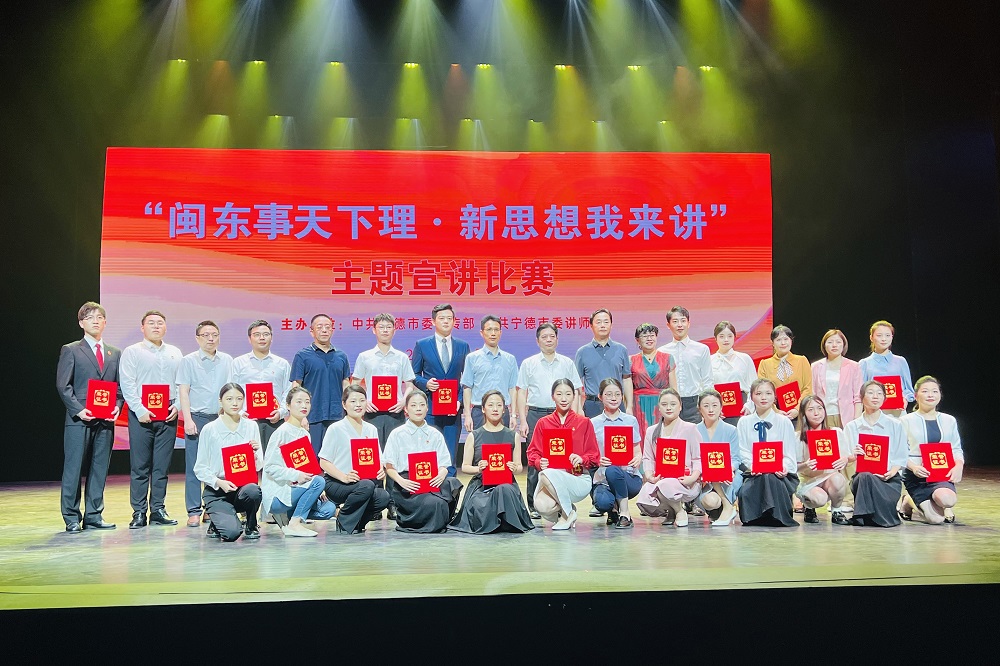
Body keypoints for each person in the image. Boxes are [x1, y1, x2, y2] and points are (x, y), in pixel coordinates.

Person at [56, 302, 122, 533]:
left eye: (99, 317)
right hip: (79, 419)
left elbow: (119, 387)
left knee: (99, 468)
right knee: (74, 468)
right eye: (90, 317)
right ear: (81, 323)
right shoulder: (71, 350)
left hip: (105, 420)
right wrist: (78, 410)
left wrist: (117, 406)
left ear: (105, 322)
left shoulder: (114, 353)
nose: (95, 320)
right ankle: (71, 517)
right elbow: (63, 386)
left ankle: (94, 515)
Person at [119, 310, 183, 529]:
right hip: (141, 415)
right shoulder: (132, 351)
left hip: (168, 413)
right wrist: (139, 409)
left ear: (165, 327)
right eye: (151, 323)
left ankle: (158, 510)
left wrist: (178, 406)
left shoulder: (175, 352)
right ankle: (138, 512)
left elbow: (181, 382)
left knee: (161, 466)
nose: (156, 326)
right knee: (140, 466)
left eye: (160, 323)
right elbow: (127, 383)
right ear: (142, 327)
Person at [516, 323, 583, 518]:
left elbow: (576, 391)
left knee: (563, 459)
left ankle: (563, 502)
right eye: (544, 337)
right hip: (536, 414)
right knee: (535, 459)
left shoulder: (567, 363)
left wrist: (575, 417)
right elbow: (522, 392)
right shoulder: (528, 363)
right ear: (537, 341)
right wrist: (523, 420)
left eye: (552, 336)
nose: (548, 340)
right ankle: (533, 505)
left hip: (561, 415)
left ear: (557, 339)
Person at [450, 390, 534, 534]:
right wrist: (478, 469)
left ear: (504, 410)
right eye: (490, 405)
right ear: (483, 409)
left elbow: (519, 466)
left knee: (504, 490)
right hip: (482, 485)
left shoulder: (512, 436)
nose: (495, 409)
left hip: (506, 484)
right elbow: (465, 467)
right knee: (482, 503)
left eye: (499, 405)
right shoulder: (474, 436)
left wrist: (514, 468)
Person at [177, 320, 234, 527]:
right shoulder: (188, 361)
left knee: (219, 466)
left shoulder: (227, 360)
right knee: (194, 465)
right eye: (206, 335)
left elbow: (231, 389)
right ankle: (193, 510)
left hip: (221, 419)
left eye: (214, 335)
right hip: (197, 418)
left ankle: (212, 507)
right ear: (197, 338)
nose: (211, 339)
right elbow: (183, 391)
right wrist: (188, 419)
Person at [383, 391, 463, 533]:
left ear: (427, 408)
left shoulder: (435, 434)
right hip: (408, 484)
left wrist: (441, 475)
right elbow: (388, 466)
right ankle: (422, 517)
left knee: (453, 483)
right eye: (413, 405)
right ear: (406, 409)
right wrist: (402, 481)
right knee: (438, 503)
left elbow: (444, 464)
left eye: (422, 405)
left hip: (432, 480)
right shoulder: (397, 434)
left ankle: (437, 511)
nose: (418, 409)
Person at [262, 386, 337, 537]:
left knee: (328, 509)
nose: (304, 405)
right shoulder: (281, 433)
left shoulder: (304, 434)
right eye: (299, 402)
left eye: (307, 402)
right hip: (279, 492)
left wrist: (314, 489)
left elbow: (305, 465)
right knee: (319, 481)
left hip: (297, 488)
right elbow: (270, 467)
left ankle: (289, 517)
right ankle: (295, 523)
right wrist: (296, 475)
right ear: (288, 405)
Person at [527, 378, 601, 530]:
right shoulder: (543, 423)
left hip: (577, 477)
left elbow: (595, 455)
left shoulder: (584, 422)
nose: (563, 398)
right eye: (559, 394)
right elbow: (532, 452)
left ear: (574, 396)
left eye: (568, 394)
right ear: (553, 396)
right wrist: (539, 462)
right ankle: (569, 509)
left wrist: (582, 459)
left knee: (545, 474)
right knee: (541, 505)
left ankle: (567, 515)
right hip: (551, 478)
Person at [193, 383, 264, 542]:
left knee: (254, 491)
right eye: (229, 399)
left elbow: (259, 466)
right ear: (220, 401)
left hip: (242, 489)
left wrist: (254, 455)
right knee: (231, 534)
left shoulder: (251, 426)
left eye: (239, 399)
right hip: (218, 491)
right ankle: (216, 521)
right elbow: (200, 468)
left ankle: (251, 524)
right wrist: (219, 482)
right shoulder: (210, 429)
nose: (235, 403)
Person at [319, 385, 392, 534]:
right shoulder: (335, 428)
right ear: (344, 404)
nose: (358, 405)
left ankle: (357, 524)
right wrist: (344, 477)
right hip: (337, 482)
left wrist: (380, 470)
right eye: (353, 401)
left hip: (363, 483)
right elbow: (324, 462)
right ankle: (344, 521)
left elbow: (377, 458)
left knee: (383, 497)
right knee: (366, 486)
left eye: (362, 400)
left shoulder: (371, 429)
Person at [411, 303, 470, 477]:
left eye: (449, 318)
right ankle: (429, 490)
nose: (446, 321)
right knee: (429, 452)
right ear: (433, 321)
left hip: (453, 410)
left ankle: (450, 491)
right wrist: (426, 383)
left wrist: (459, 400)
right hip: (430, 409)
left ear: (454, 322)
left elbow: (467, 379)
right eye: (442, 318)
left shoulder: (462, 346)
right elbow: (413, 374)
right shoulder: (422, 345)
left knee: (450, 456)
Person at [735, 379, 800, 527]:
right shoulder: (744, 422)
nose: (763, 397)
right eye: (758, 393)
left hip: (780, 474)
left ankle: (776, 515)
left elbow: (790, 453)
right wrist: (754, 466)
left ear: (775, 397)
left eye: (768, 393)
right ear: (752, 397)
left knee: (769, 477)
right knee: (761, 478)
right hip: (753, 472)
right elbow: (742, 450)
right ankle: (756, 516)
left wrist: (782, 466)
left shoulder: (784, 422)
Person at [843, 380, 908, 527]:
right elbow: (846, 458)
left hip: (888, 479)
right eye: (871, 393)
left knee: (867, 477)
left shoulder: (895, 424)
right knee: (865, 476)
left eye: (879, 393)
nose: (875, 397)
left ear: (884, 398)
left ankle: (862, 517)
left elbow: (902, 455)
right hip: (862, 479)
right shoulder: (852, 427)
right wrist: (853, 456)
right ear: (861, 398)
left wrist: (892, 472)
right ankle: (868, 517)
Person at [899, 376, 963, 524]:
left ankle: (941, 505)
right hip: (917, 474)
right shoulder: (905, 421)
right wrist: (914, 467)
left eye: (934, 391)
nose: (930, 395)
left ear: (940, 395)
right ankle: (909, 501)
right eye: (925, 391)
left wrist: (959, 465)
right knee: (935, 520)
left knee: (948, 500)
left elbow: (956, 448)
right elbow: (899, 452)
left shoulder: (949, 420)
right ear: (916, 396)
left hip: (940, 472)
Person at [634, 388, 701, 526]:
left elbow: (698, 458)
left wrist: (693, 477)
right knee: (647, 491)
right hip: (661, 478)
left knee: (664, 486)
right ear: (659, 407)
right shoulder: (652, 431)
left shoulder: (690, 428)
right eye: (664, 404)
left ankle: (680, 511)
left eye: (673, 404)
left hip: (685, 479)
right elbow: (648, 458)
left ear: (680, 406)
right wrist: (649, 475)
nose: (668, 408)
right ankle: (671, 511)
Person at [352, 313, 415, 448]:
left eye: (388, 327)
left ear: (394, 330)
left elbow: (410, 384)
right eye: (381, 327)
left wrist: (404, 401)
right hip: (372, 412)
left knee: (396, 449)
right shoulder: (364, 357)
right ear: (374, 330)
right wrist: (364, 402)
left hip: (396, 411)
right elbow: (355, 384)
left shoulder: (402, 357)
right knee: (374, 450)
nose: (385, 330)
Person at [290, 314, 351, 451]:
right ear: (311, 331)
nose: (324, 330)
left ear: (332, 330)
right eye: (319, 327)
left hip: (337, 416)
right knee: (312, 457)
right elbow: (296, 386)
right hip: (312, 416)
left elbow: (346, 384)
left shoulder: (341, 356)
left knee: (336, 456)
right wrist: (299, 416)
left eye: (327, 327)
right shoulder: (302, 356)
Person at [590, 379, 643, 529]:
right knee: (602, 503)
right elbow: (589, 453)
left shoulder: (630, 420)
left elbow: (637, 450)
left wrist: (638, 458)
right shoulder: (593, 423)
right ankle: (612, 509)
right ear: (600, 397)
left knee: (613, 470)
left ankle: (625, 513)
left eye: (617, 394)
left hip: (628, 476)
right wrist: (598, 459)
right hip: (603, 479)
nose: (614, 398)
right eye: (609, 394)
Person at [231, 319, 291, 452]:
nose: (262, 338)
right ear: (249, 338)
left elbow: (288, 391)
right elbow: (231, 391)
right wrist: (240, 413)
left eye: (266, 334)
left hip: (274, 421)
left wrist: (281, 412)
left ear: (271, 338)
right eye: (257, 334)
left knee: (273, 460)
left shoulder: (282, 364)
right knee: (248, 460)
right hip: (245, 421)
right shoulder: (238, 363)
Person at [795, 395, 852, 526]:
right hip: (807, 480)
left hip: (829, 477)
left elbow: (849, 457)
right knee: (820, 499)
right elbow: (793, 467)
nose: (816, 413)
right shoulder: (798, 437)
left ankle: (836, 510)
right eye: (811, 409)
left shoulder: (836, 432)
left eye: (820, 408)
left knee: (838, 479)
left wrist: (845, 459)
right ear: (804, 413)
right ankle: (809, 507)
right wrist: (806, 465)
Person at [693, 390, 742, 526]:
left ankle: (727, 507)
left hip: (729, 477)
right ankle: (720, 510)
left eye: (714, 405)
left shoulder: (731, 430)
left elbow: (736, 459)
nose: (711, 410)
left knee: (716, 470)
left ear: (721, 407)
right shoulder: (694, 431)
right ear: (699, 409)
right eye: (706, 406)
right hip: (704, 479)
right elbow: (693, 459)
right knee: (711, 502)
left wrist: (728, 470)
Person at [462, 315, 518, 432]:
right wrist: (467, 415)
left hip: (502, 412)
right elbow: (467, 387)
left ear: (500, 333)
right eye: (489, 330)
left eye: (496, 330)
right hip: (479, 412)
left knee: (503, 444)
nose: (493, 333)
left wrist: (513, 415)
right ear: (482, 333)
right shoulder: (472, 358)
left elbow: (512, 388)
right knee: (479, 444)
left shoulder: (510, 359)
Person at [658, 306, 712, 424]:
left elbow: (707, 380)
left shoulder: (702, 349)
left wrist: (708, 404)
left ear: (689, 323)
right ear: (668, 325)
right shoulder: (662, 352)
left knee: (695, 435)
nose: (680, 325)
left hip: (694, 403)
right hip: (670, 403)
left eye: (683, 321)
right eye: (675, 321)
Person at [574, 309, 632, 418]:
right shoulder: (582, 352)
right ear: (591, 326)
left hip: (617, 404)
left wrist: (629, 406)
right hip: (592, 405)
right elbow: (576, 383)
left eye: (606, 322)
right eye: (598, 322)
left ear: (611, 325)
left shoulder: (621, 349)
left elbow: (626, 379)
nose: (602, 325)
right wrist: (578, 408)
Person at [629, 322, 677, 443]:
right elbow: (628, 388)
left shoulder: (668, 358)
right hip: (639, 405)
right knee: (641, 436)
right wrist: (629, 407)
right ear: (637, 340)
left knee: (662, 437)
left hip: (662, 404)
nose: (649, 338)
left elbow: (673, 389)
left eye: (652, 335)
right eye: (645, 336)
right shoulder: (631, 360)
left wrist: (675, 406)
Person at [858, 320, 915, 417]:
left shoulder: (900, 361)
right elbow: (860, 391)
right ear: (871, 338)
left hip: (898, 413)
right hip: (874, 413)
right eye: (879, 335)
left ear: (892, 337)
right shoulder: (864, 363)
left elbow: (909, 389)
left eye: (888, 335)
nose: (884, 339)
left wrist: (904, 398)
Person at [756, 325, 812, 422]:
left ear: (791, 341)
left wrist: (797, 409)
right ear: (772, 343)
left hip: (799, 413)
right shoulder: (765, 364)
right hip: (774, 415)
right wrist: (776, 411)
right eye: (778, 340)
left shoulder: (802, 360)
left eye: (786, 339)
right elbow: (762, 391)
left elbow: (808, 388)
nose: (783, 343)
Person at [709, 321, 756, 426]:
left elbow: (754, 386)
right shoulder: (709, 361)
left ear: (734, 337)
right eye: (721, 336)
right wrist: (712, 408)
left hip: (742, 408)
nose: (726, 340)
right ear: (715, 338)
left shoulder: (745, 359)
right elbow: (706, 388)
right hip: (718, 409)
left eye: (729, 336)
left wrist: (749, 406)